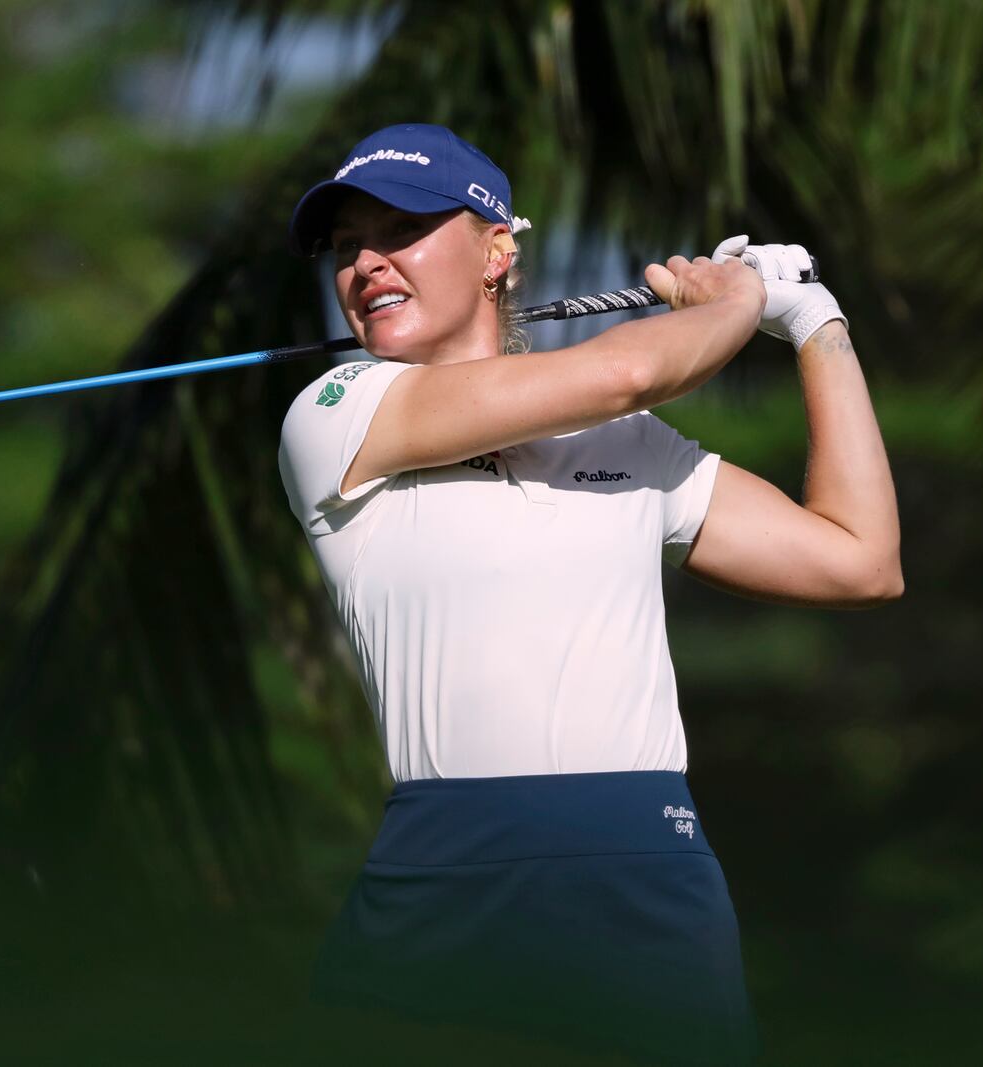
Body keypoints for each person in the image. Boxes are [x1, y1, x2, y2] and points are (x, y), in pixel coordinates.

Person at [276, 124, 901, 1062]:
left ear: (497, 251)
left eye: (401, 228)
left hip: (648, 866)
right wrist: (740, 300)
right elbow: (632, 366)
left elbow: (860, 561)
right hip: (448, 874)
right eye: (345, 245)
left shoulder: (629, 445)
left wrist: (814, 324)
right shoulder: (337, 414)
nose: (366, 261)